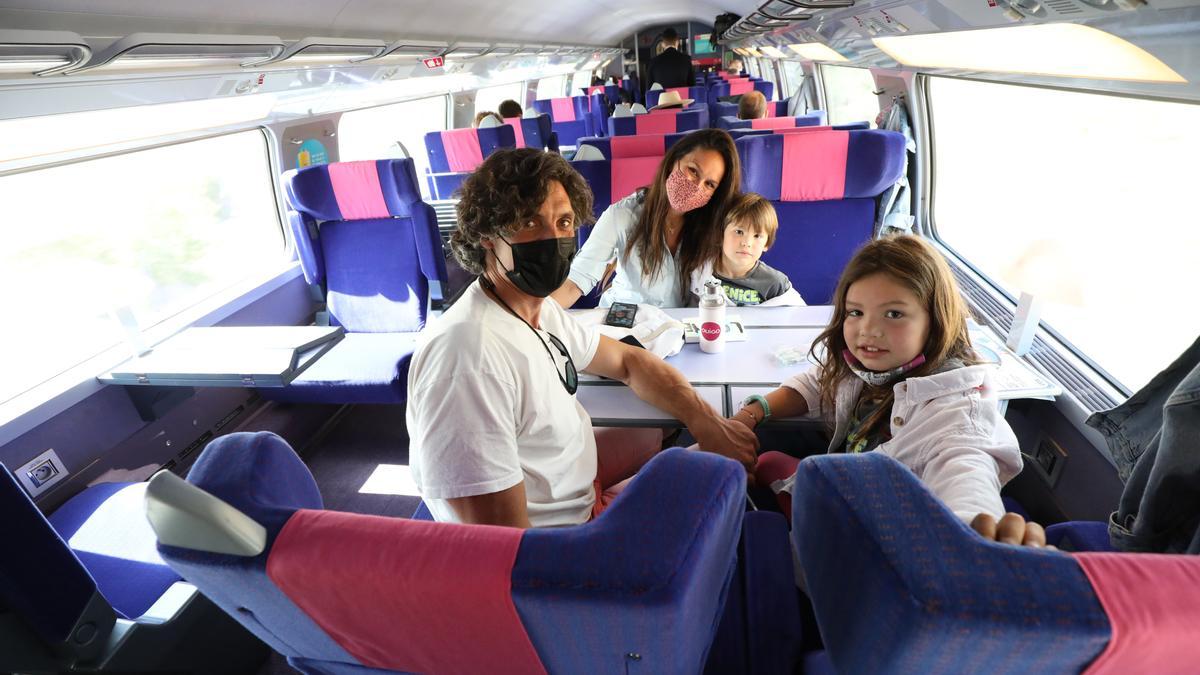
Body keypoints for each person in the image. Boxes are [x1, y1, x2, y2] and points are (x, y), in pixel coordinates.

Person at [407, 148, 758, 528]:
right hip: (570, 535)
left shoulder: (536, 308)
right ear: (488, 234)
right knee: (732, 475)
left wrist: (705, 422)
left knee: (670, 426)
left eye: (563, 222)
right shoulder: (467, 359)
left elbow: (628, 361)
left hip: (571, 477)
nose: (552, 238)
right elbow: (505, 550)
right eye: (529, 221)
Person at [735, 235, 1048, 546]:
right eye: (855, 312)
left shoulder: (958, 413)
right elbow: (818, 382)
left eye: (894, 314)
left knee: (768, 463)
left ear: (935, 319)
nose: (867, 331)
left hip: (875, 540)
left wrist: (984, 534)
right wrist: (751, 414)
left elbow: (967, 473)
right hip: (852, 493)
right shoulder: (873, 365)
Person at [550, 128, 740, 309]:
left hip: (680, 329)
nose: (696, 187)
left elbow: (744, 271)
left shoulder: (716, 227)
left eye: (709, 184)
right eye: (693, 171)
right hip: (626, 323)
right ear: (674, 161)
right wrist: (531, 321)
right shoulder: (622, 215)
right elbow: (575, 281)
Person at [689, 193, 802, 307]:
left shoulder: (775, 284)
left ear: (766, 244)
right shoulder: (700, 272)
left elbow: (798, 316)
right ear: (721, 234)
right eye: (739, 232)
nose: (746, 243)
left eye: (757, 236)